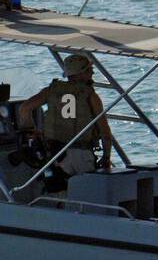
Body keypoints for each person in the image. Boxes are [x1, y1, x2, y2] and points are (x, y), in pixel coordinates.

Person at [18, 53, 114, 181]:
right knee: (89, 193)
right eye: (89, 70)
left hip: (57, 155)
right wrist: (106, 158)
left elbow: (24, 108)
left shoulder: (51, 90)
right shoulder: (90, 95)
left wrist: (33, 132)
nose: (92, 72)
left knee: (61, 190)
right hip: (82, 154)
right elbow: (105, 133)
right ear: (80, 73)